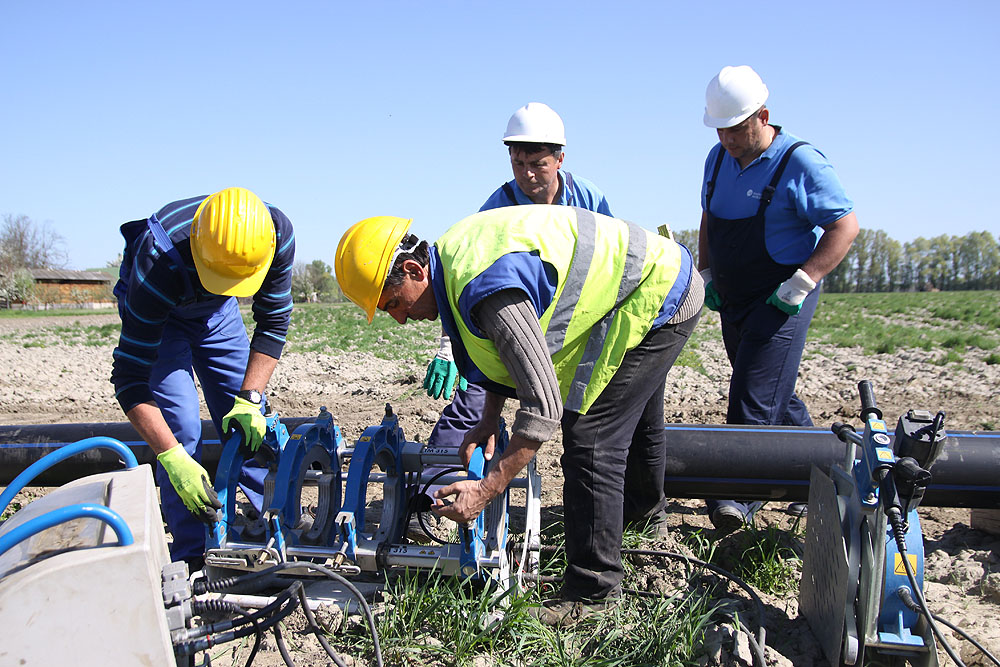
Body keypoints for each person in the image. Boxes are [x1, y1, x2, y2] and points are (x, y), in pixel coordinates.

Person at [335, 206, 703, 626]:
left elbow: (543, 406)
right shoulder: (456, 266)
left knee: (592, 438)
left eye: (394, 303)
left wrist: (487, 489)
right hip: (652, 281)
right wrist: (488, 418)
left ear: (415, 270)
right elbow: (499, 354)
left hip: (658, 293)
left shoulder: (485, 288)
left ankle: (594, 593)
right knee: (635, 421)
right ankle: (643, 522)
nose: (399, 318)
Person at [698, 66, 859, 533]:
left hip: (783, 297)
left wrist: (804, 281)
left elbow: (844, 226)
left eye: (736, 129)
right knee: (774, 392)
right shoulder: (716, 159)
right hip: (734, 295)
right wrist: (708, 271)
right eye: (720, 130)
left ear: (762, 115)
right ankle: (822, 474)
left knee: (752, 394)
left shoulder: (801, 163)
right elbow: (709, 215)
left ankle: (737, 499)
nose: (727, 139)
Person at [110, 187, 295, 569]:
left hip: (218, 314)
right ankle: (193, 553)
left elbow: (273, 322)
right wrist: (172, 456)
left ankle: (277, 520)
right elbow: (129, 378)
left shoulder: (273, 234)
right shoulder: (157, 261)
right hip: (165, 317)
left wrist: (252, 398)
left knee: (245, 418)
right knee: (179, 430)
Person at [424, 102, 613, 459]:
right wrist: (450, 345)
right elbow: (465, 277)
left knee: (587, 416)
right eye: (518, 164)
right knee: (477, 392)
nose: (527, 175)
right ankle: (437, 486)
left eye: (537, 165)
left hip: (579, 317)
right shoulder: (496, 208)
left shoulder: (588, 198)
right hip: (513, 318)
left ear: (559, 159)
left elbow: (611, 256)